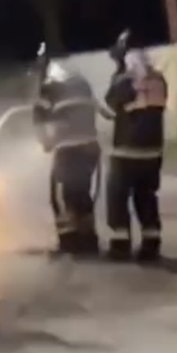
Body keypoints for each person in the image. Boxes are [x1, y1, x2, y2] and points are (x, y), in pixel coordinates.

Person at [32, 43, 102, 258]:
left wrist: (45, 142)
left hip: (69, 148)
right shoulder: (81, 82)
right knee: (81, 194)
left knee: (61, 199)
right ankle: (89, 241)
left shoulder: (49, 86)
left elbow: (39, 119)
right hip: (90, 148)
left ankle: (69, 242)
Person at [104, 37, 168, 263]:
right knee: (147, 197)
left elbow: (110, 105)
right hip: (153, 152)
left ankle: (120, 246)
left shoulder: (124, 80)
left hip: (126, 152)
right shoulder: (159, 79)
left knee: (117, 197)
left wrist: (119, 76)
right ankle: (151, 245)